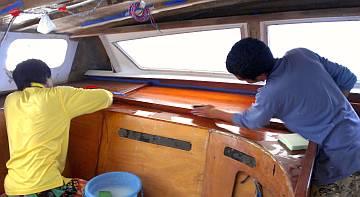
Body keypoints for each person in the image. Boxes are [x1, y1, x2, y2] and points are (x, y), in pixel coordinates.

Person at [191, 38, 360, 196]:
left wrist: (214, 113)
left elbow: (251, 121)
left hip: (344, 161)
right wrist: (330, 108)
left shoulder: (270, 94)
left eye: (241, 79)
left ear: (259, 77)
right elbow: (348, 78)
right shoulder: (300, 54)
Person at [3, 59, 113, 196]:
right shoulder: (58, 96)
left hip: (12, 188)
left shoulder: (10, 100)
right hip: (42, 187)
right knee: (98, 191)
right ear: (46, 79)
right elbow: (105, 97)